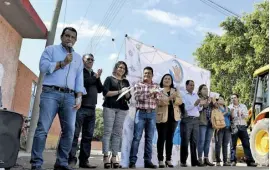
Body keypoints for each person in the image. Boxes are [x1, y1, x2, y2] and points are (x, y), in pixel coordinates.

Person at [30, 27, 85, 170]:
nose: (70, 39)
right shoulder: (51, 50)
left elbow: (79, 78)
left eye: (73, 37)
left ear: (76, 40)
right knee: (42, 128)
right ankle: (36, 164)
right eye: (67, 36)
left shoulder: (78, 58)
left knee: (70, 131)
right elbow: (43, 66)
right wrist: (62, 63)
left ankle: (61, 163)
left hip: (69, 97)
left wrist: (79, 97)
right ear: (61, 37)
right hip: (50, 93)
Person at [68, 53, 102, 168]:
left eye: (92, 59)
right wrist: (95, 77)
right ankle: (71, 160)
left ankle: (84, 161)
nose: (90, 61)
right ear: (83, 60)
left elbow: (100, 89)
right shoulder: (80, 71)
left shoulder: (94, 74)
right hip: (80, 108)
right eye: (88, 59)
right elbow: (84, 83)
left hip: (92, 109)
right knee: (75, 135)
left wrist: (98, 78)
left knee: (87, 137)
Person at [129, 66, 160, 169]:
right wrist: (150, 93)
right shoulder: (138, 84)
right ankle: (132, 161)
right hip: (140, 113)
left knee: (149, 139)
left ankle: (148, 161)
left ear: (152, 75)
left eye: (149, 73)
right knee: (137, 138)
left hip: (152, 114)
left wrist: (155, 95)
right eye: (145, 73)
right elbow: (138, 98)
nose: (147, 75)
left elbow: (158, 99)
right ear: (143, 74)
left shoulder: (156, 85)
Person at [102, 61, 131, 169]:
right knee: (107, 132)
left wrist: (127, 91)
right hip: (109, 107)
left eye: (123, 68)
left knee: (117, 133)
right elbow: (106, 93)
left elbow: (128, 97)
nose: (121, 69)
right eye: (120, 67)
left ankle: (114, 157)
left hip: (122, 109)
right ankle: (105, 156)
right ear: (116, 68)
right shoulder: (109, 79)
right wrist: (120, 91)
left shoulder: (126, 81)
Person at [156, 74, 182, 168]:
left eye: (169, 78)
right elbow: (159, 102)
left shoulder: (175, 91)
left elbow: (180, 101)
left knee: (170, 139)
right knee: (161, 138)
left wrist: (174, 98)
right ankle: (160, 160)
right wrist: (170, 98)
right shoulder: (158, 90)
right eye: (165, 78)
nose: (167, 80)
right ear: (162, 80)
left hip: (173, 117)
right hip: (162, 117)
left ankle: (168, 159)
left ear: (171, 81)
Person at [180, 80, 205, 167]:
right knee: (185, 141)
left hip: (196, 120)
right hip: (187, 119)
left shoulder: (195, 95)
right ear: (186, 86)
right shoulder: (183, 95)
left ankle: (194, 161)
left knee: (194, 141)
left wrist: (200, 105)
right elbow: (185, 108)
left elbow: (199, 109)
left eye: (193, 85)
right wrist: (195, 104)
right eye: (190, 85)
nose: (192, 87)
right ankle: (183, 161)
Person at [229, 94, 257, 167]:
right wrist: (232, 114)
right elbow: (229, 119)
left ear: (238, 98)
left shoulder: (243, 106)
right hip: (234, 127)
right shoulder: (229, 107)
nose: (233, 99)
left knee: (246, 144)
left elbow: (247, 116)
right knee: (233, 145)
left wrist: (241, 114)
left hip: (243, 127)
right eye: (232, 98)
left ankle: (250, 161)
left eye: (235, 97)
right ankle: (233, 160)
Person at [197, 84, 215, 166]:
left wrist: (214, 102)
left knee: (208, 141)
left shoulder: (210, 98)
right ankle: (199, 158)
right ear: (200, 90)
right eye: (204, 89)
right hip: (202, 122)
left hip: (210, 123)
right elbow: (203, 106)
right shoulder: (198, 98)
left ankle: (206, 158)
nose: (206, 90)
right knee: (201, 141)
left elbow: (215, 108)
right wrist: (208, 102)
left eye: (207, 89)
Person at [215, 95, 231, 166]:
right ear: (217, 101)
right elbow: (217, 116)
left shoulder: (226, 107)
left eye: (222, 99)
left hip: (227, 127)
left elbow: (231, 116)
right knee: (218, 144)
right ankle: (218, 161)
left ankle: (225, 161)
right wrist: (225, 112)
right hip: (219, 128)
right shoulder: (216, 108)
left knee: (225, 145)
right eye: (220, 99)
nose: (221, 100)